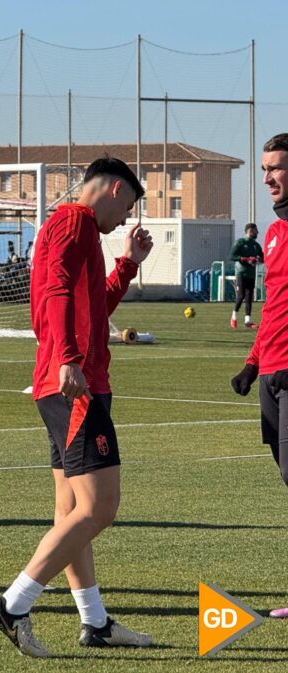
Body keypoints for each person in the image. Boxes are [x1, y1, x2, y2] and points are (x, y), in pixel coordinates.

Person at [0, 157, 154, 657]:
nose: (125, 221)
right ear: (116, 190)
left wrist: (127, 264)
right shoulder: (75, 222)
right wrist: (70, 359)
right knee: (100, 507)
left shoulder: (72, 229)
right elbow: (56, 288)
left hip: (62, 382)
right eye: (129, 209)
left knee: (72, 510)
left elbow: (91, 304)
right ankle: (13, 605)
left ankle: (95, 622)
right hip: (74, 386)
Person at [231, 133, 288, 618]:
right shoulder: (271, 234)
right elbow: (273, 308)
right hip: (269, 372)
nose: (267, 177)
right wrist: (253, 362)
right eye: (265, 168)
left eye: (277, 168)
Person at [229, 222, 263, 329]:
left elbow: (262, 257)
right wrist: (244, 259)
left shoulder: (256, 245)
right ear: (250, 231)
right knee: (241, 295)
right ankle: (234, 316)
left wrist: (256, 259)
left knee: (249, 297)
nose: (257, 232)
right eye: (255, 230)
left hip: (251, 274)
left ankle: (247, 321)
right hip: (241, 272)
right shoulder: (240, 242)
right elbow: (232, 256)